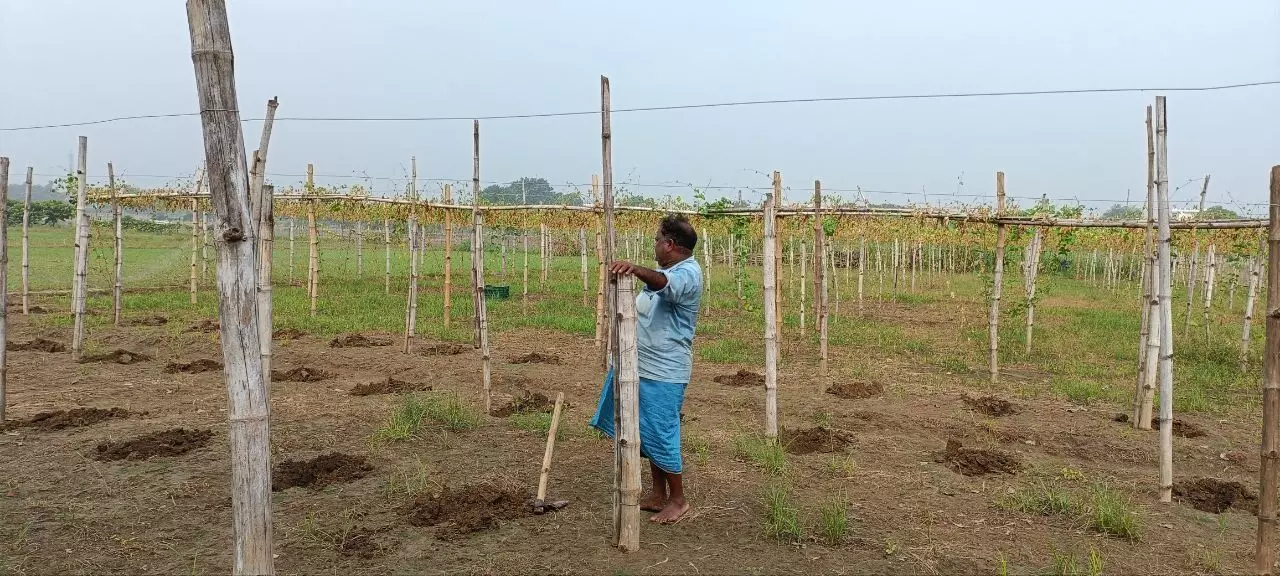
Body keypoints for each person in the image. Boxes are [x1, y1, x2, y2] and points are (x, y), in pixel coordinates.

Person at [591, 214, 703, 524]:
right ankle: (658, 494)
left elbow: (665, 285)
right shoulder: (669, 269)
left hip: (665, 371)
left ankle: (678, 500)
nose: (654, 245)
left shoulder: (688, 273)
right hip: (642, 365)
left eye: (657, 240)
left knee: (662, 431)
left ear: (669, 244)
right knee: (646, 430)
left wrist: (638, 270)